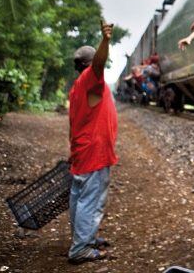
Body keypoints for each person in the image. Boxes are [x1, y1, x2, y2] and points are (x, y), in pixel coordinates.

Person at [68, 21, 117, 264]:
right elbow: (98, 64)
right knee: (91, 199)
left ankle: (83, 238)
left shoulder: (77, 88)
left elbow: (76, 122)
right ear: (88, 66)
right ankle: (80, 249)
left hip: (82, 151)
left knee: (79, 198)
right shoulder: (90, 79)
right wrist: (105, 41)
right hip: (94, 153)